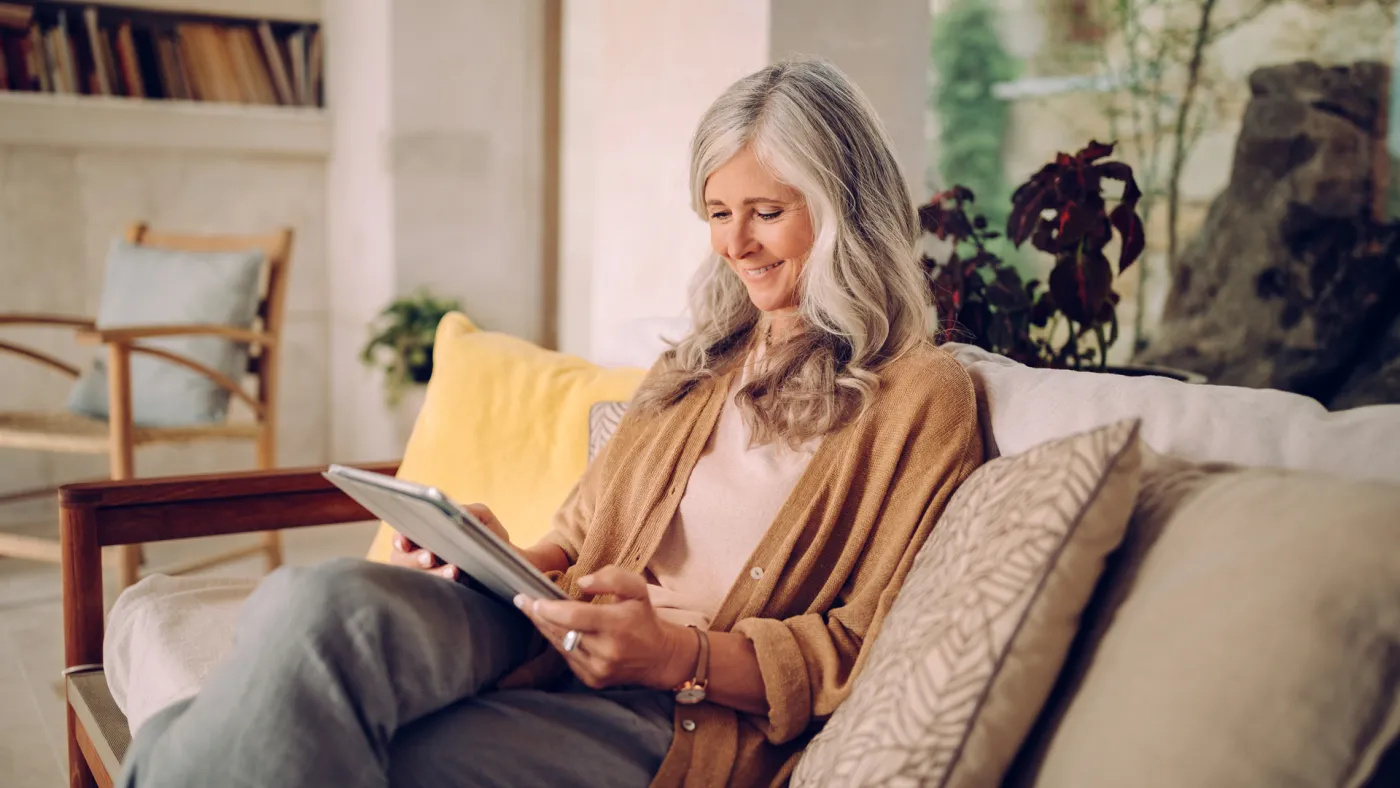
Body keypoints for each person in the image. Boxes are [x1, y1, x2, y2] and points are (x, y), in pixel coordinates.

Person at [119, 57, 983, 788]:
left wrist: (674, 655)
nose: (736, 245)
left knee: (180, 747)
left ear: (845, 209)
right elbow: (574, 538)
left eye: (767, 213)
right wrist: (493, 557)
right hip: (550, 629)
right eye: (719, 214)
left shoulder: (919, 395)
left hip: (675, 715)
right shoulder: (699, 366)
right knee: (318, 598)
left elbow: (863, 645)